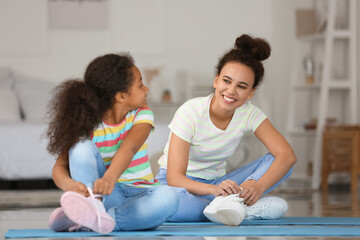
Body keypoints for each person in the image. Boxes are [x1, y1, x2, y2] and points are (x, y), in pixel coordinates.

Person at [156, 34, 297, 224]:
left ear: (250, 93)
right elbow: (174, 177)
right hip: (180, 186)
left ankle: (228, 206)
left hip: (218, 184)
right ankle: (238, 209)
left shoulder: (249, 114)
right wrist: (214, 191)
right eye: (227, 81)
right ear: (216, 80)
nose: (231, 91)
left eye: (242, 86)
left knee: (281, 163)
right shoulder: (190, 111)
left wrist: (256, 186)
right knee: (171, 205)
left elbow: (287, 155)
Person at [46, 53, 179, 233]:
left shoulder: (142, 114)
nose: (146, 88)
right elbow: (59, 167)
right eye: (140, 84)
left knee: (169, 197)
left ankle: (89, 221)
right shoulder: (86, 124)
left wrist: (110, 177)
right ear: (121, 96)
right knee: (80, 148)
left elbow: (130, 147)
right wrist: (68, 185)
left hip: (139, 194)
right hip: (106, 196)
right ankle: (94, 208)